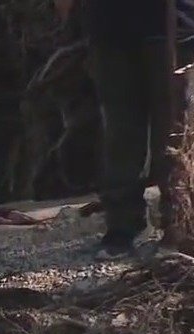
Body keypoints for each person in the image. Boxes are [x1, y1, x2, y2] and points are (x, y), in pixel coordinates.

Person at [54, 0, 194, 258]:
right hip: (109, 28)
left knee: (175, 133)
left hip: (173, 26)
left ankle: (180, 226)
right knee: (121, 134)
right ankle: (123, 227)